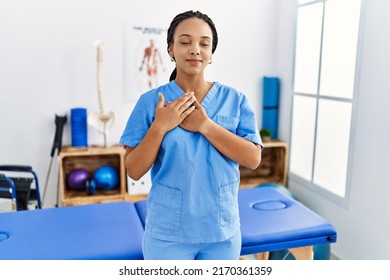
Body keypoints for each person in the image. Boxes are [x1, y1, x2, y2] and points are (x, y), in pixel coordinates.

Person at [120, 10, 263, 260]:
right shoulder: (150, 103)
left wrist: (205, 125)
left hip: (222, 232)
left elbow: (252, 159)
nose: (194, 49)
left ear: (211, 53)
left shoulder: (235, 100)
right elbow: (133, 169)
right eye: (185, 42)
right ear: (171, 50)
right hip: (167, 234)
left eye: (203, 43)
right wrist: (160, 126)